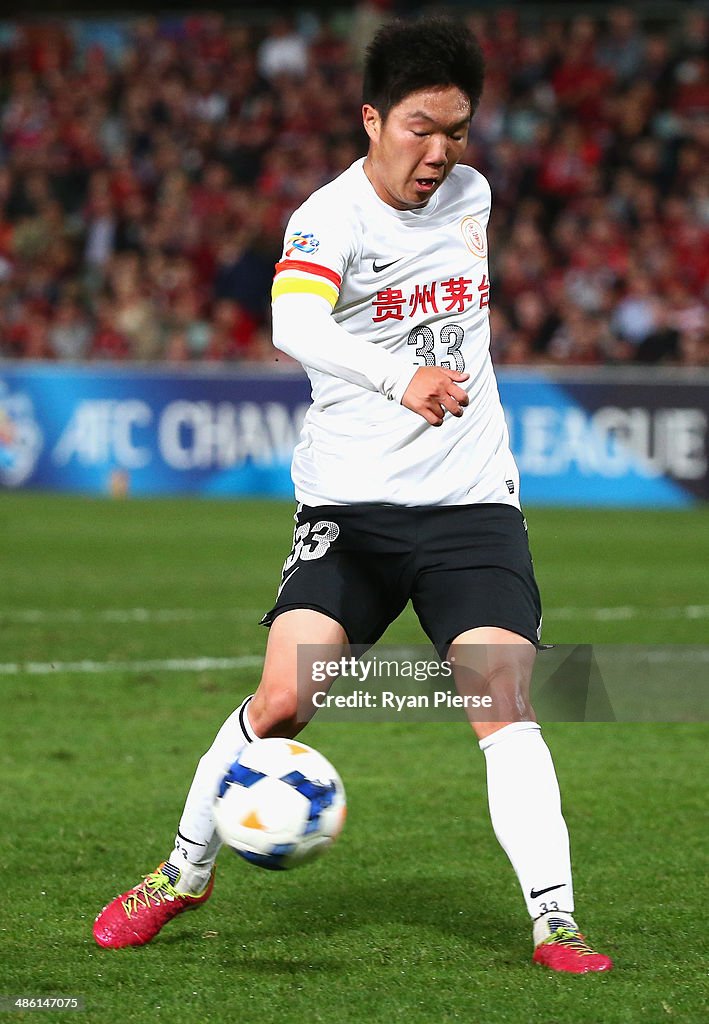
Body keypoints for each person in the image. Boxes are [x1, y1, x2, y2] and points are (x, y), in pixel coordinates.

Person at [93, 16, 612, 974]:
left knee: (501, 700)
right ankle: (182, 869)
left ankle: (555, 922)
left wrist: (428, 377)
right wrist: (398, 379)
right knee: (285, 700)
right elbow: (294, 322)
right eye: (419, 126)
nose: (438, 151)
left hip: (468, 505)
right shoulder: (324, 218)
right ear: (370, 118)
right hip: (351, 508)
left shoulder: (472, 194)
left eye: (455, 129)